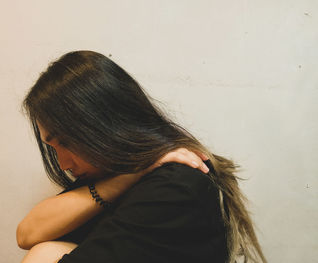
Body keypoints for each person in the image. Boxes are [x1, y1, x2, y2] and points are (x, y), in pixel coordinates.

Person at [16, 51, 267, 263]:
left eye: (67, 142)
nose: (63, 164)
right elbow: (27, 233)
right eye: (53, 146)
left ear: (105, 124)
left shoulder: (174, 186)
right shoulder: (115, 174)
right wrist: (126, 178)